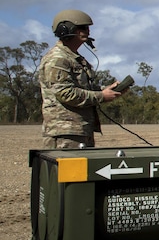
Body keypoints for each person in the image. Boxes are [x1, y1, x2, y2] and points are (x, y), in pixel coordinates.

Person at [37, 9, 125, 149]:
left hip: (79, 130)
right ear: (66, 29)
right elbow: (66, 93)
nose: (88, 32)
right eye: (83, 28)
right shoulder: (58, 59)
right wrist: (101, 96)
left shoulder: (74, 58)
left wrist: (105, 90)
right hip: (65, 132)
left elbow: (81, 88)